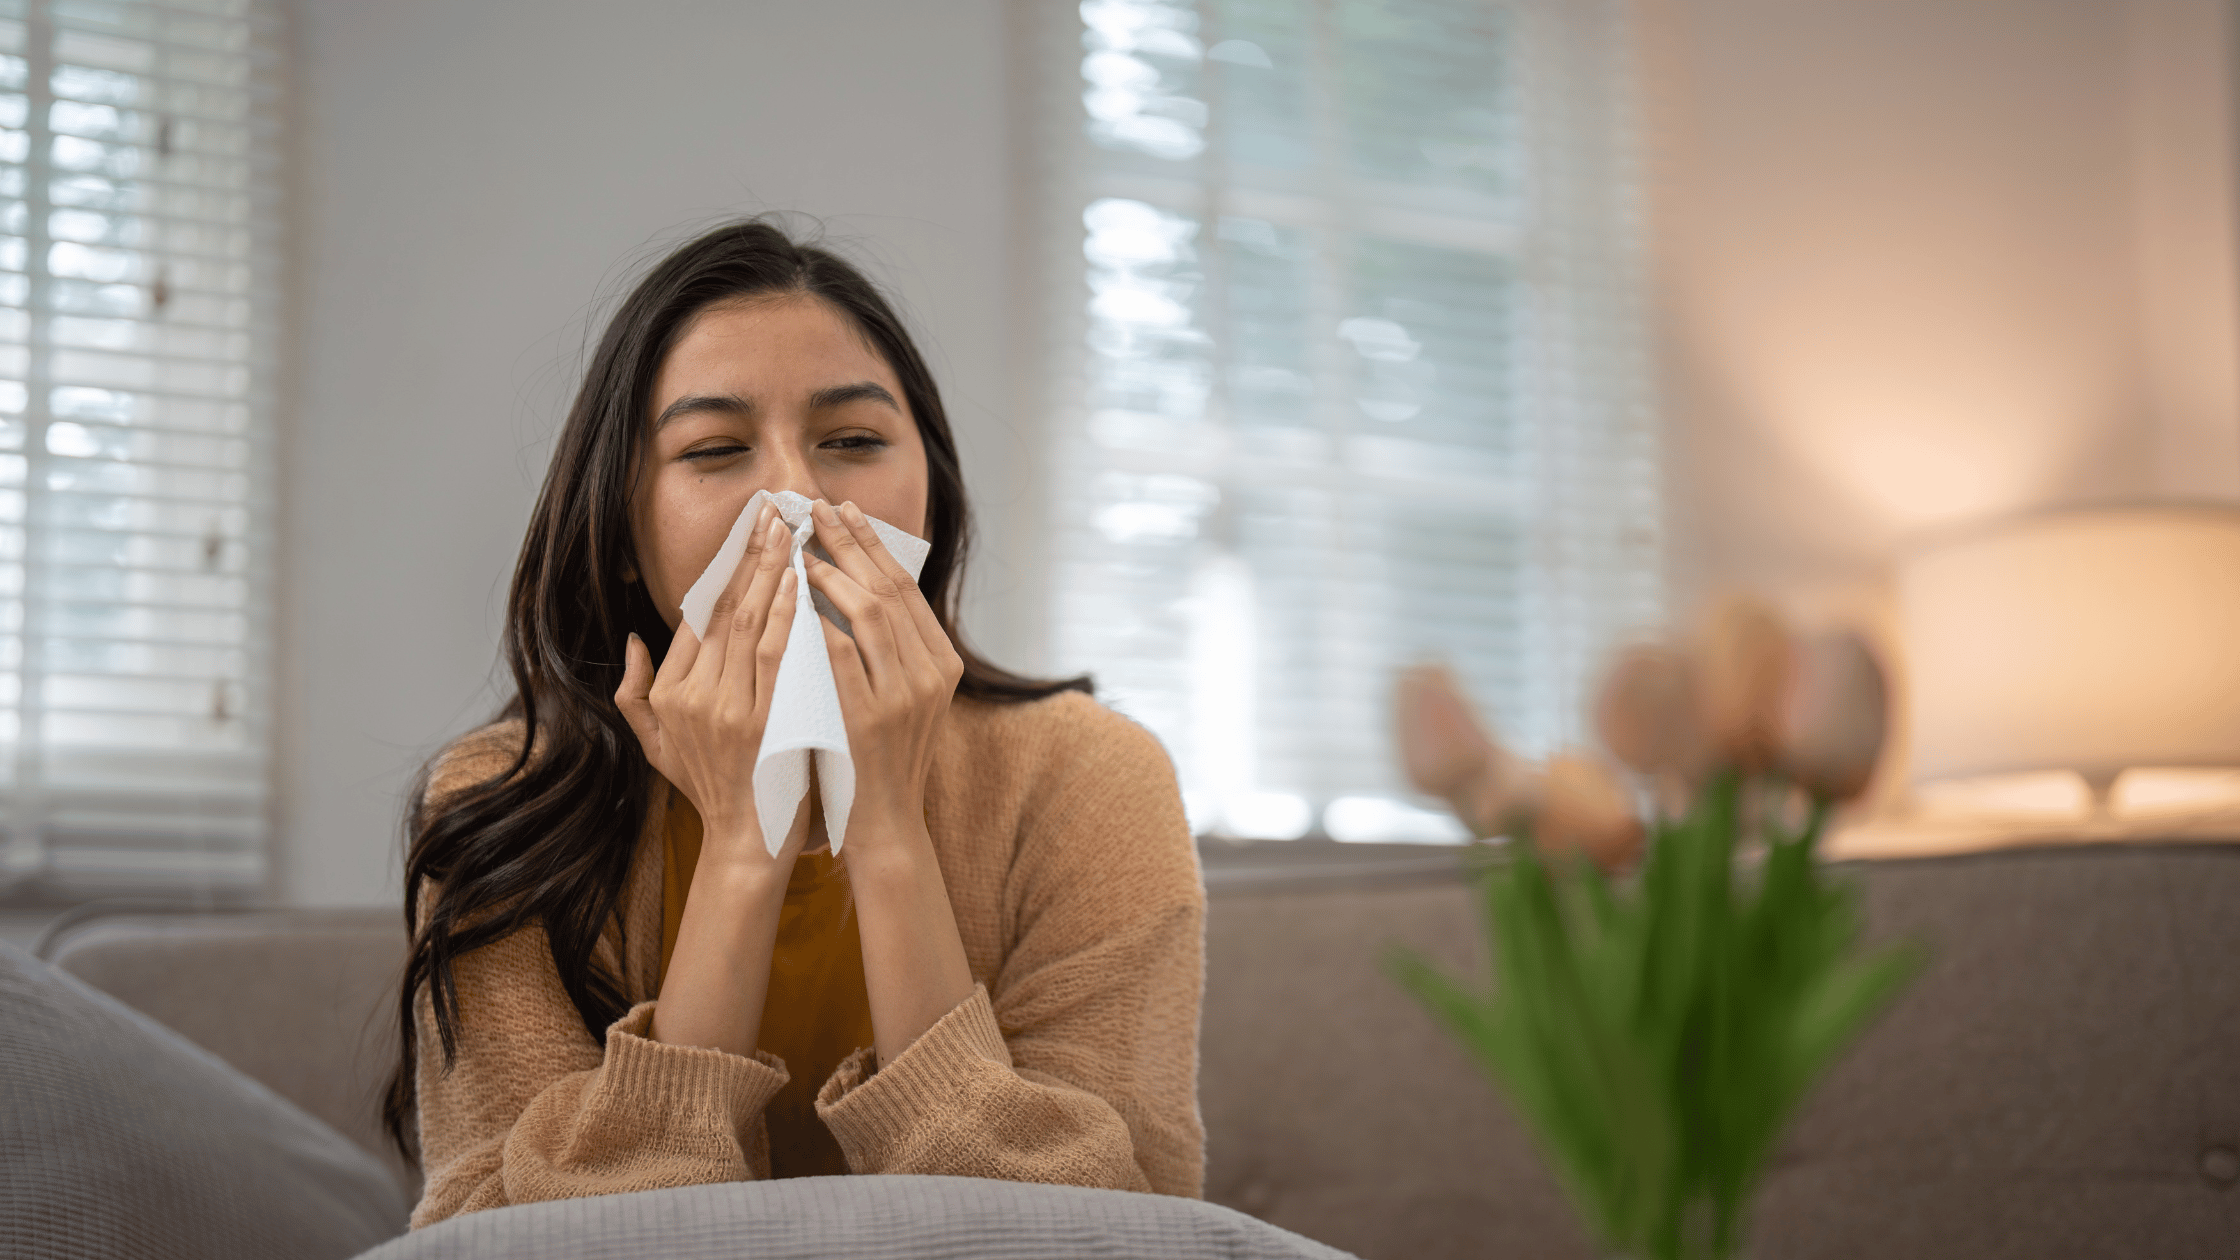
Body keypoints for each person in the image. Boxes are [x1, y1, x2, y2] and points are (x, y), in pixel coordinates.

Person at [383, 219, 1204, 1228]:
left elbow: (1119, 1228)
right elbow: (501, 1238)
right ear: (623, 533)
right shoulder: (501, 800)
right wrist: (745, 841)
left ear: (932, 495)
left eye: (852, 441)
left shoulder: (1089, 776)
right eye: (714, 449)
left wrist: (887, 828)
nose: (796, 497)